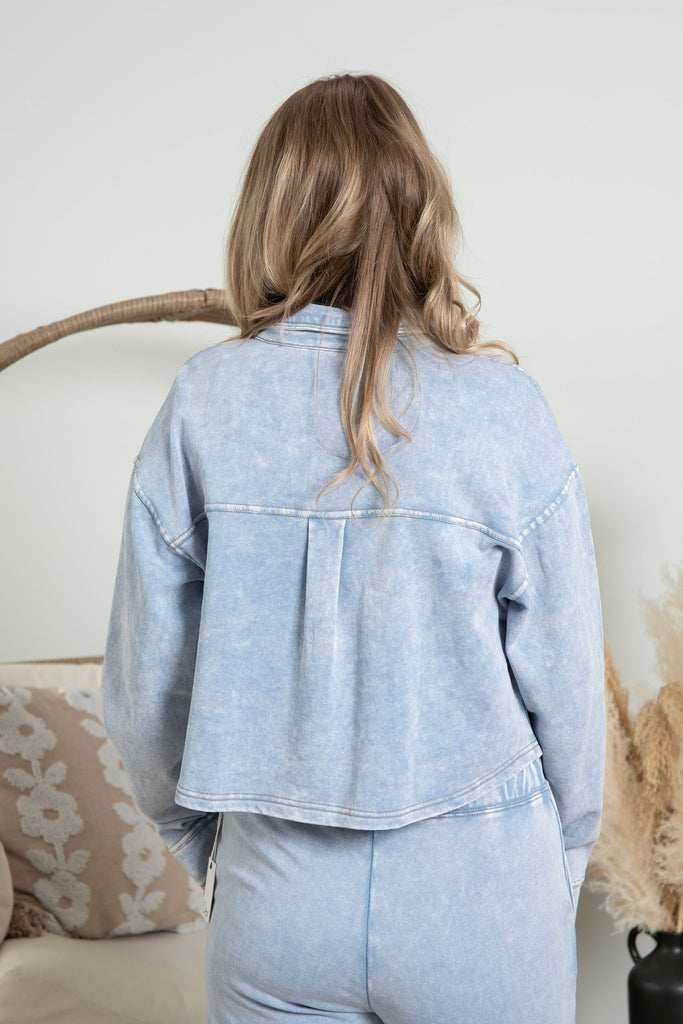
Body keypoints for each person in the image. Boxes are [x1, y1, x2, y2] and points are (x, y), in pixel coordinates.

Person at [101, 72, 605, 1024]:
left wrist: (208, 841)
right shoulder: (503, 410)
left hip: (276, 889)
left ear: (270, 215)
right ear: (421, 208)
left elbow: (142, 693)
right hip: (480, 883)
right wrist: (561, 857)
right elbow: (569, 683)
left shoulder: (203, 403)